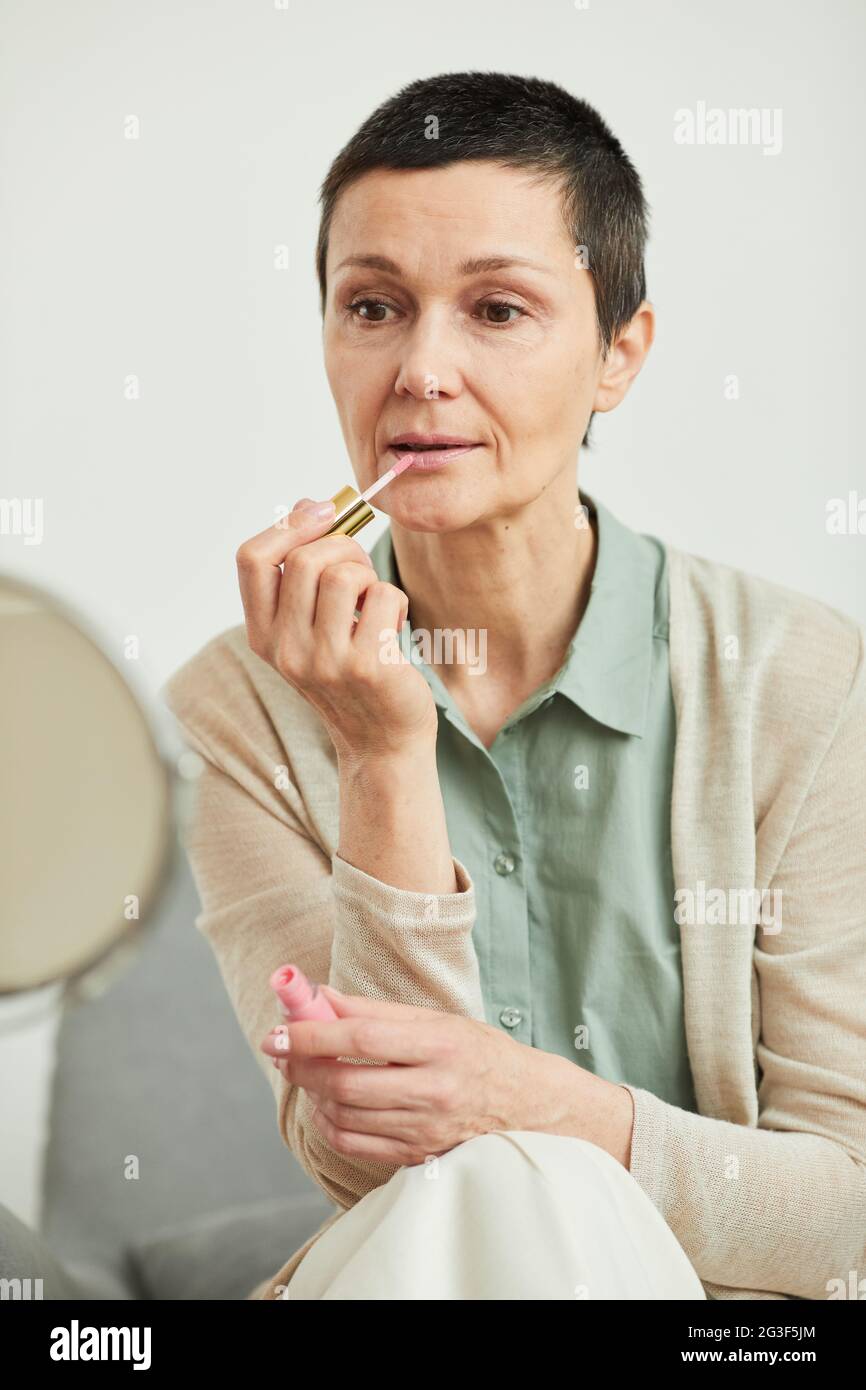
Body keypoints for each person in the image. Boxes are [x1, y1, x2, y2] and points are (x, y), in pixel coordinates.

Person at [161, 72, 866, 1301]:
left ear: (616, 353)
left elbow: (842, 1214)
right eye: (372, 306)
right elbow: (365, 1163)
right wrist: (382, 751)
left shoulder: (800, 682)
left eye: (495, 309)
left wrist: (537, 1107)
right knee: (478, 1195)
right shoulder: (246, 707)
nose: (421, 370)